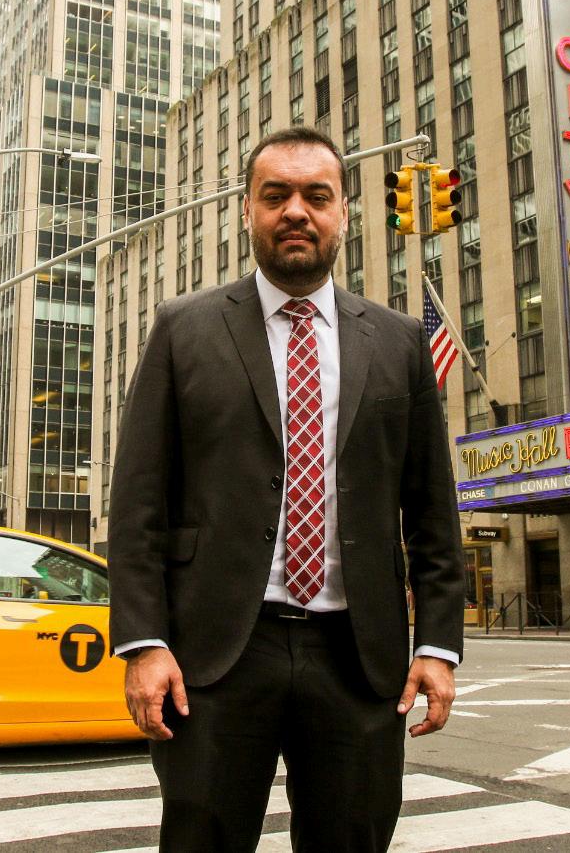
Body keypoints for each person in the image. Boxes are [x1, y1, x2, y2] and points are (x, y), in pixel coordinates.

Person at [108, 125, 463, 852]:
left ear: (343, 214)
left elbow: (432, 511)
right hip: (214, 659)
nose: (296, 211)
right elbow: (139, 503)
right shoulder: (183, 330)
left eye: (316, 196)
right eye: (276, 196)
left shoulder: (398, 342)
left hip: (357, 656)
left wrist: (437, 645)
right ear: (248, 210)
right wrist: (144, 643)